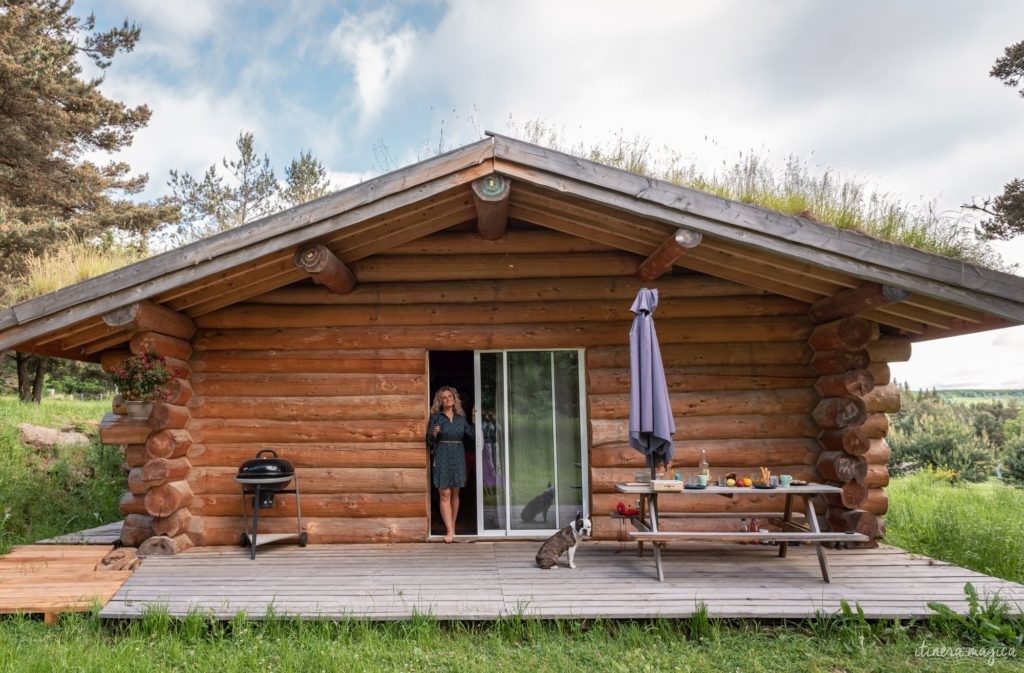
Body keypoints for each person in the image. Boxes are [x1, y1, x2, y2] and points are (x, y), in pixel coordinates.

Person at [426, 386, 474, 543]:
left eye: (450, 396)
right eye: (444, 397)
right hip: (442, 455)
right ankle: (449, 530)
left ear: (455, 398)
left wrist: (474, 421)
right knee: (444, 494)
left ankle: (452, 527)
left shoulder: (461, 417)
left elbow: (472, 436)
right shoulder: (436, 417)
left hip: (458, 455)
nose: (448, 399)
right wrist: (434, 433)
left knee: (455, 493)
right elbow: (429, 441)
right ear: (440, 401)